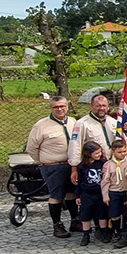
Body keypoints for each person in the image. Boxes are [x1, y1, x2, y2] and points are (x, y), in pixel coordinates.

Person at [26, 96, 79, 237]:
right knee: (56, 196)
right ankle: (57, 225)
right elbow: (31, 148)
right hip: (53, 167)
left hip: (72, 166)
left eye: (62, 106)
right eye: (56, 107)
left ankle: (75, 221)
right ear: (51, 108)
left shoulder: (73, 122)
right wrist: (43, 161)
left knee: (71, 193)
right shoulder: (41, 125)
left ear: (67, 106)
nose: (60, 109)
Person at [68, 94, 118, 184]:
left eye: (104, 106)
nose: (101, 108)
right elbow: (75, 145)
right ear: (91, 106)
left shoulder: (113, 122)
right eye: (98, 106)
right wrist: (74, 168)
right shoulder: (82, 124)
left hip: (112, 164)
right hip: (92, 166)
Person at [100, 140, 127, 245]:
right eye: (119, 152)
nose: (122, 154)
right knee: (115, 214)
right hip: (114, 192)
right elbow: (105, 181)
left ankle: (125, 232)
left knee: (126, 212)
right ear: (113, 151)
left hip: (126, 191)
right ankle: (116, 231)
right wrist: (105, 196)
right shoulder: (108, 165)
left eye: (124, 151)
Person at [76, 141, 109, 246]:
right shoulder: (82, 166)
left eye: (100, 152)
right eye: (96, 153)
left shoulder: (103, 163)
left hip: (100, 193)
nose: (99, 155)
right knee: (85, 214)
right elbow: (79, 181)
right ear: (88, 154)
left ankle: (103, 232)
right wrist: (78, 195)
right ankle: (86, 234)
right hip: (87, 194)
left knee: (102, 214)